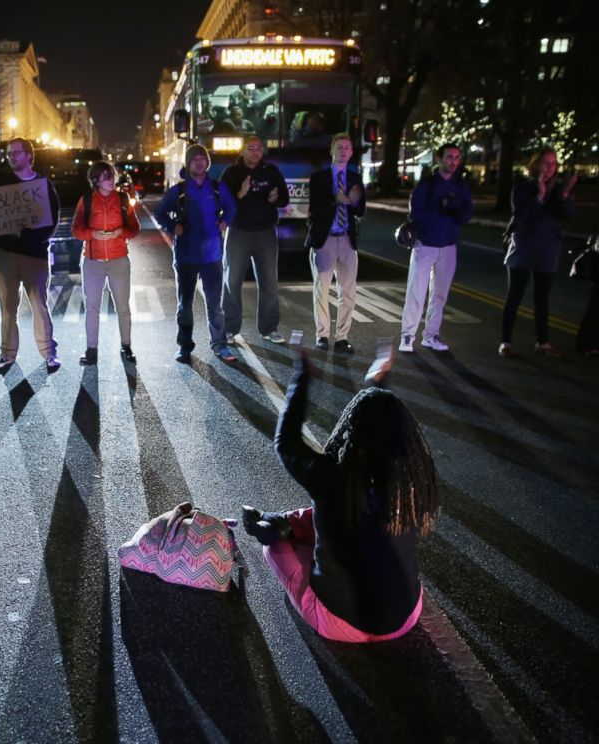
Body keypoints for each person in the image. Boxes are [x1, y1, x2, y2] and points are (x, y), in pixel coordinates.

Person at [241, 349, 439, 642]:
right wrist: (378, 385)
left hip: (340, 624)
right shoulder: (408, 481)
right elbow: (383, 423)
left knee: (273, 548)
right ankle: (286, 522)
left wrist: (301, 377)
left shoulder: (330, 476)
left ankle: (280, 525)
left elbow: (286, 442)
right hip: (407, 616)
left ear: (351, 428)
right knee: (339, 513)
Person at [0, 121, 61, 373]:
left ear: (29, 156)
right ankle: (6, 355)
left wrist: (30, 237)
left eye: (17, 153)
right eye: (9, 154)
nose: (12, 157)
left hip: (34, 256)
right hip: (5, 256)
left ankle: (49, 353)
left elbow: (52, 219)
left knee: (40, 305)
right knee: (7, 309)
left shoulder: (42, 186)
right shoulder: (1, 180)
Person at [153, 143, 238, 364]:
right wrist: (173, 227)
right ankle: (184, 347)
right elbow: (159, 213)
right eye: (194, 159)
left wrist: (225, 221)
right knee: (185, 305)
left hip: (211, 256)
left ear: (207, 162)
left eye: (203, 158)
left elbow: (231, 207)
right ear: (188, 163)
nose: (199, 162)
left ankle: (220, 345)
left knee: (214, 304)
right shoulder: (179, 191)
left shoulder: (217, 188)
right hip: (186, 256)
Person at [499, 148, 576, 358]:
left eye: (553, 163)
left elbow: (568, 214)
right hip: (523, 248)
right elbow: (522, 216)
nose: (550, 167)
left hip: (548, 250)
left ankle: (543, 342)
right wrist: (540, 195)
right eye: (546, 163)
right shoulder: (522, 189)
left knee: (542, 299)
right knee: (514, 297)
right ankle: (506, 341)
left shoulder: (558, 191)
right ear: (535, 165)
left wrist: (565, 194)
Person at [398, 143, 473, 353]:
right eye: (449, 157)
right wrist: (442, 209)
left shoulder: (461, 185)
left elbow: (467, 212)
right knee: (416, 292)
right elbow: (416, 213)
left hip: (448, 246)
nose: (453, 161)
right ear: (439, 159)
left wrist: (455, 210)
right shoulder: (428, 184)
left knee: (439, 295)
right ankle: (407, 336)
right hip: (425, 244)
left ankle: (431, 335)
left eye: (457, 157)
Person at [220, 135, 290, 344]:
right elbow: (222, 201)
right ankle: (230, 328)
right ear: (242, 151)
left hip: (265, 232)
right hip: (239, 232)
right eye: (251, 148)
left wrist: (276, 198)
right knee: (232, 281)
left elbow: (285, 197)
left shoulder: (271, 172)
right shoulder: (232, 173)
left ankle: (269, 329)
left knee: (269, 282)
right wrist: (240, 194)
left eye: (259, 148)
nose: (256, 152)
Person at [70, 161, 141, 365]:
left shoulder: (122, 199)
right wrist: (93, 234)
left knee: (123, 307)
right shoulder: (87, 200)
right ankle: (91, 350)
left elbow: (134, 228)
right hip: (93, 261)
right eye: (106, 177)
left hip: (119, 259)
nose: (111, 180)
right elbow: (76, 229)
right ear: (95, 180)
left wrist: (122, 232)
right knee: (92, 308)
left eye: (112, 176)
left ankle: (126, 346)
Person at [305, 133, 366, 354]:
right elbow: (315, 209)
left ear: (351, 152)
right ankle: (322, 334)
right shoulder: (319, 178)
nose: (343, 151)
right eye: (339, 147)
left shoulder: (355, 178)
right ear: (332, 150)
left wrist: (354, 202)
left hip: (347, 240)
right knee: (322, 289)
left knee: (348, 291)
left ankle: (342, 337)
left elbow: (360, 211)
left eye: (347, 148)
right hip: (325, 239)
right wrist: (335, 200)